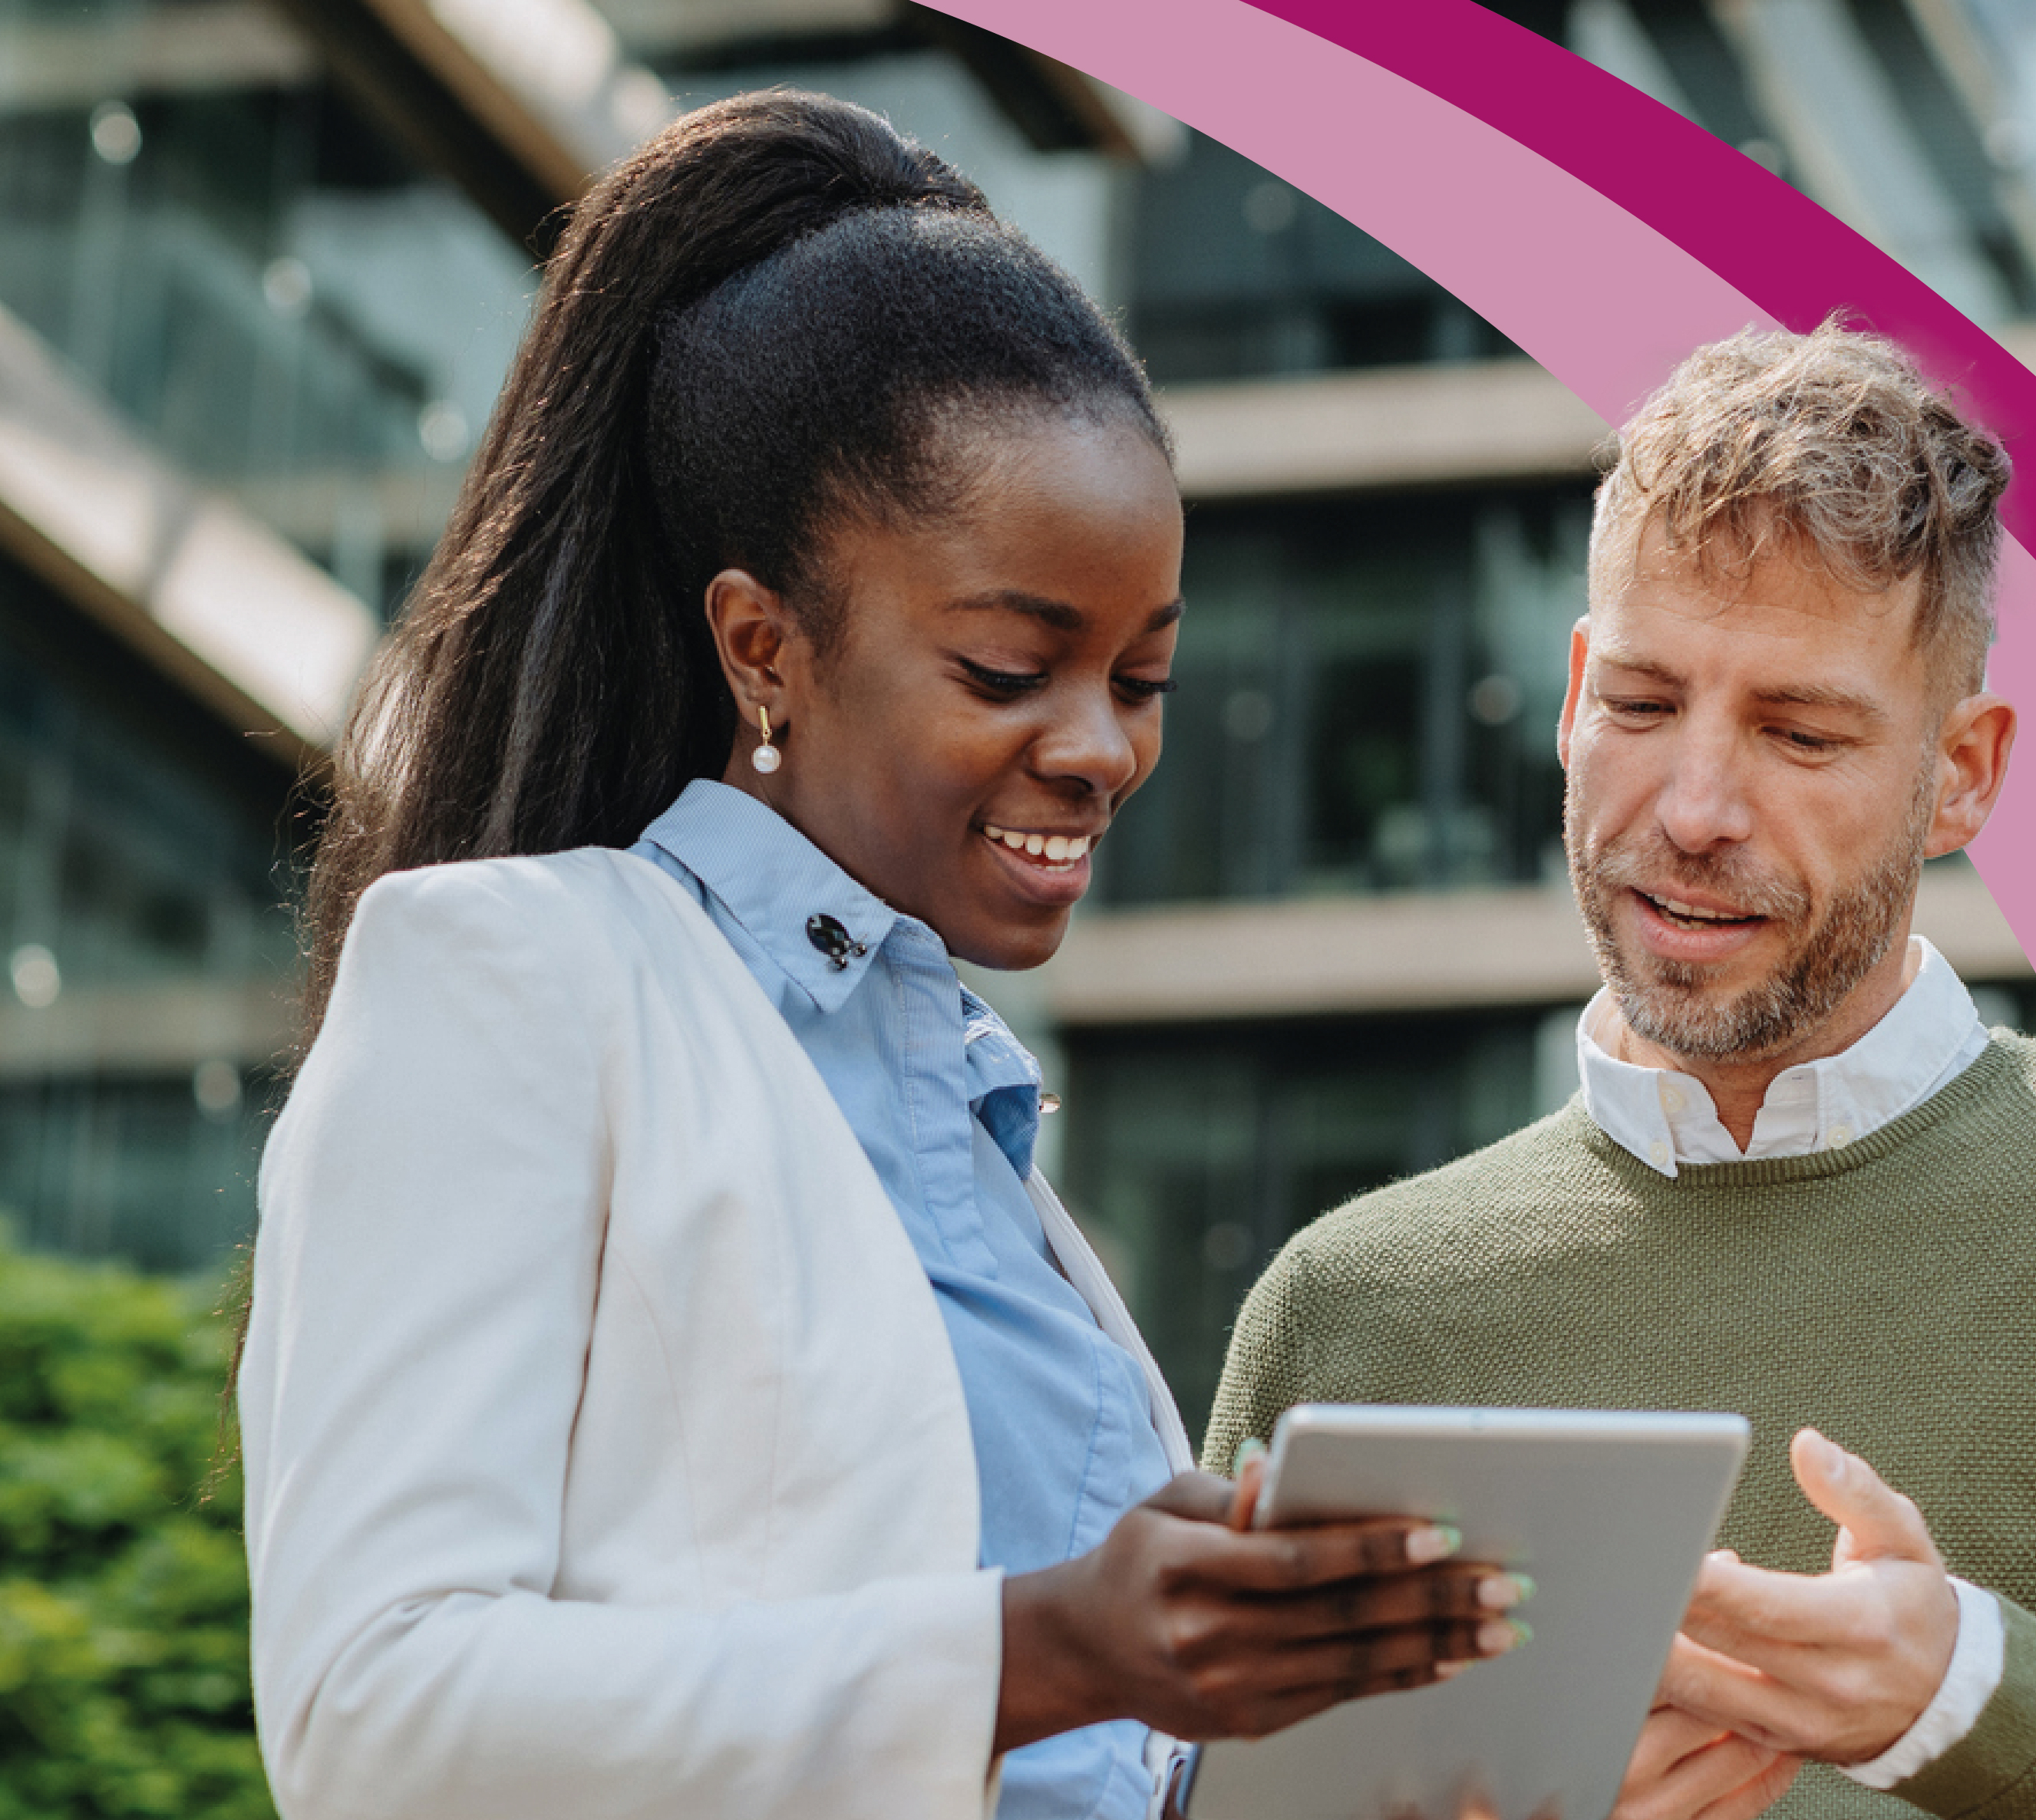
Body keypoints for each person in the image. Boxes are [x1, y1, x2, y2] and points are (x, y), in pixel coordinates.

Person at [234, 92, 1542, 1820]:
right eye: (1011, 668)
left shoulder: (992, 1162)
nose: (1102, 748)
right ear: (761, 646)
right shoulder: (514, 980)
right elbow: (371, 1713)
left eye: (1141, 678)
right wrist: (1043, 1649)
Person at [1203, 324, 2036, 1819]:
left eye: (1798, 731)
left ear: (1960, 771)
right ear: (1577, 692)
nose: (1697, 804)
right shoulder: (1347, 1311)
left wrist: (1975, 1702)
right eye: (1644, 704)